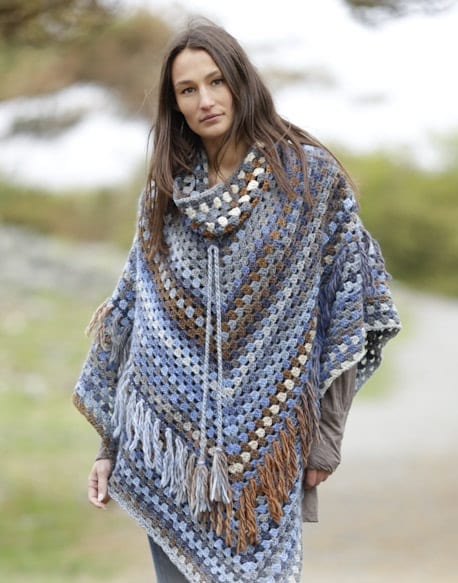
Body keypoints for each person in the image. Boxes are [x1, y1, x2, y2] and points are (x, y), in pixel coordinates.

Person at [73, 20, 401, 583]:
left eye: (216, 82)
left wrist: (325, 440)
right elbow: (134, 324)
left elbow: (348, 310)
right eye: (187, 90)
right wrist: (109, 446)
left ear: (241, 83)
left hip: (270, 454)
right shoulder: (164, 195)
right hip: (170, 460)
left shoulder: (307, 182)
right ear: (174, 104)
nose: (205, 100)